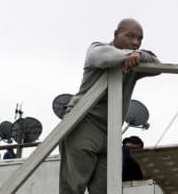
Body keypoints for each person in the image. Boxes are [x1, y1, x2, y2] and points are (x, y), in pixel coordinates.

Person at [59, 18, 160, 194]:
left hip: (111, 133)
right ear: (116, 34)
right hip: (85, 123)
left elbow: (158, 66)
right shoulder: (97, 48)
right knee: (73, 187)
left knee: (105, 189)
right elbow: (102, 57)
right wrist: (129, 56)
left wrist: (139, 55)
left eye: (139, 38)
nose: (135, 42)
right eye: (130, 36)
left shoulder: (135, 61)